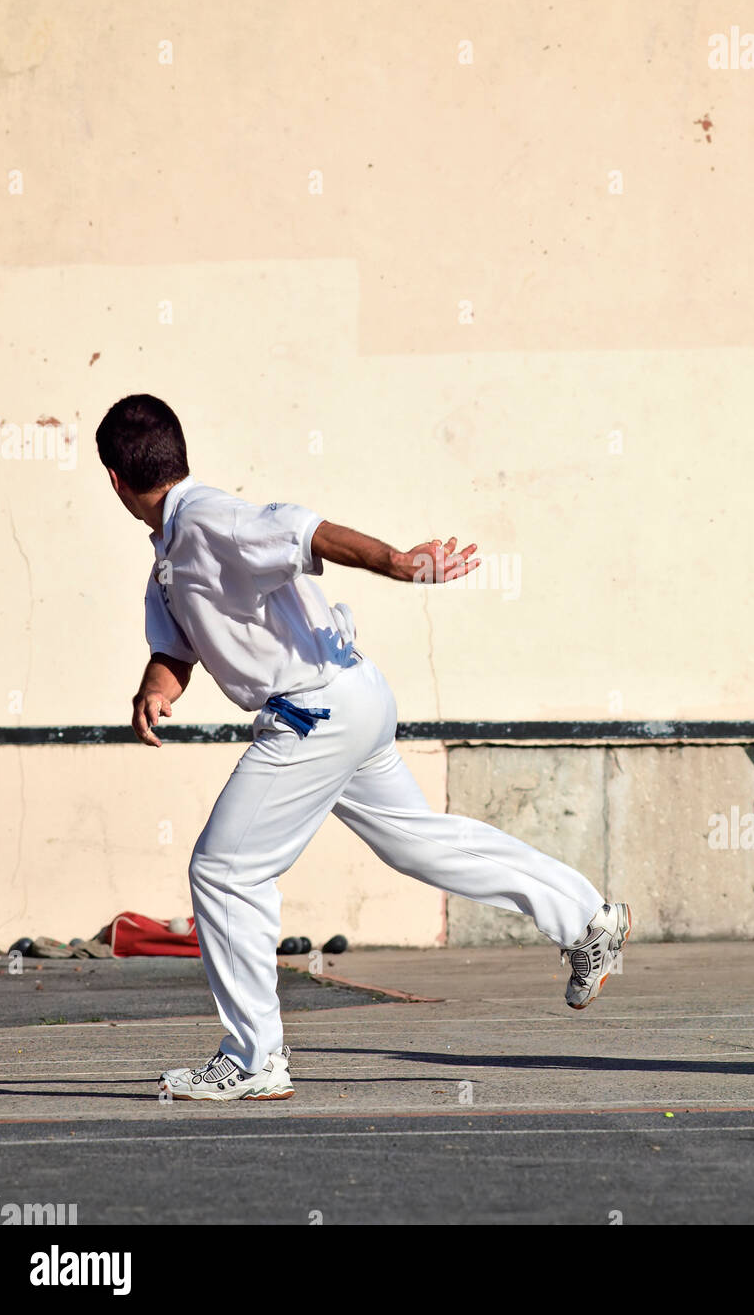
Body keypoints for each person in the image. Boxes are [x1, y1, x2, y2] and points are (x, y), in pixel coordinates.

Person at [96, 394, 631, 1101]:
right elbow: (179, 648)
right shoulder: (170, 553)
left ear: (113, 480)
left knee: (225, 872)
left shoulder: (208, 517)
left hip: (314, 711)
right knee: (416, 842)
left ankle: (255, 1059)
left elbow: (304, 531)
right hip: (350, 699)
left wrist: (398, 562)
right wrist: (157, 688)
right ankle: (585, 917)